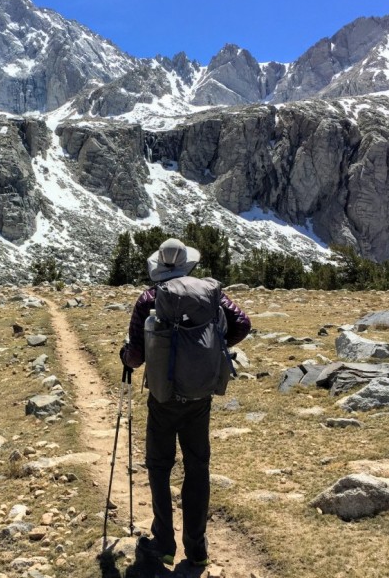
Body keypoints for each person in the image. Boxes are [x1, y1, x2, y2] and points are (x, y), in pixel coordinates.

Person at [119, 238, 251, 567]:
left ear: (159, 266)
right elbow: (243, 323)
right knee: (197, 467)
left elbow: (135, 357)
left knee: (160, 467)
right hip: (200, 395)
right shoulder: (209, 294)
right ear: (187, 265)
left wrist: (126, 356)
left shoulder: (149, 298)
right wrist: (215, 346)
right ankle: (197, 547)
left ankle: (164, 542)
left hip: (163, 397)